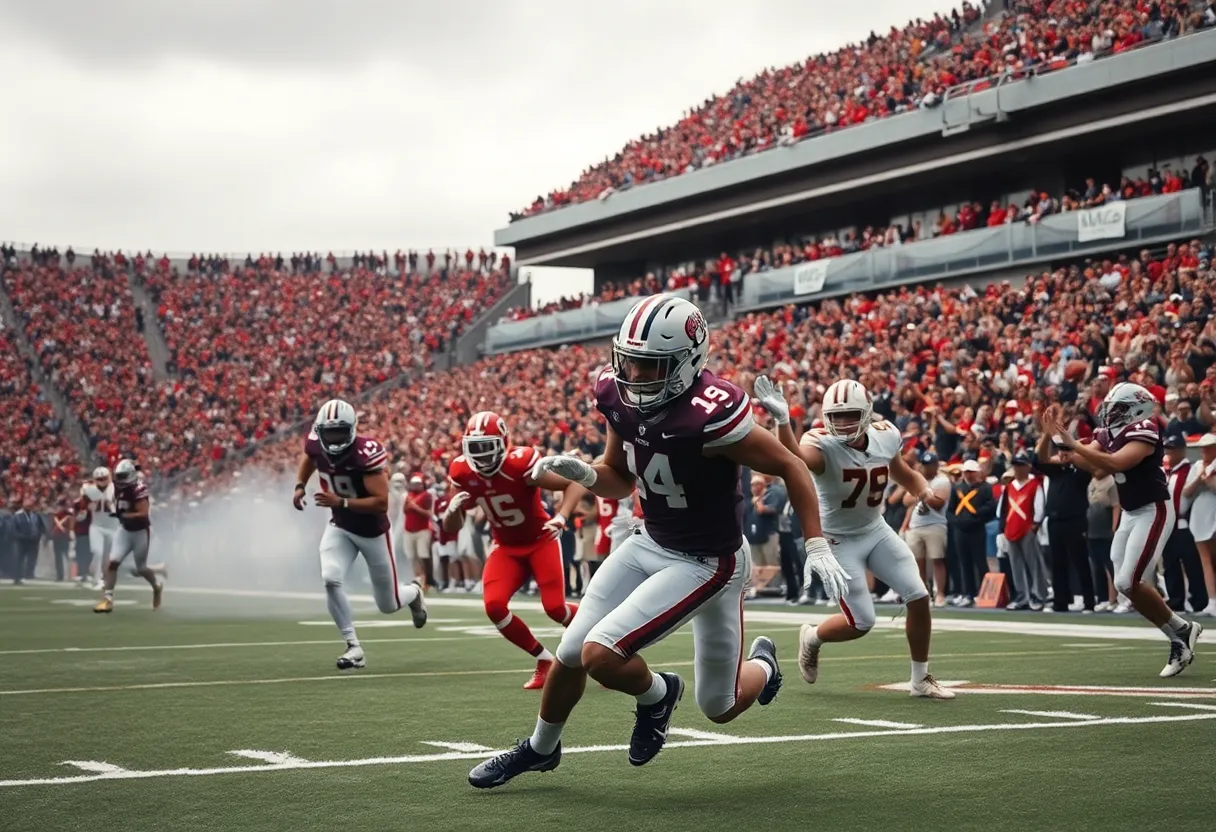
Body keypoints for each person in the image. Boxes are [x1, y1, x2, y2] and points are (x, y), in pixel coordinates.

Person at [468, 295, 849, 789]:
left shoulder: (710, 412)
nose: (633, 374)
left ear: (687, 363)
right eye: (628, 360)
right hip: (651, 540)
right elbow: (619, 479)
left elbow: (792, 465)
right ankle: (542, 748)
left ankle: (734, 672)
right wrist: (583, 473)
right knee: (572, 651)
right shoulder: (618, 396)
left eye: (649, 366)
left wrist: (815, 542)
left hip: (708, 561)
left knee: (717, 704)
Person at [755, 376, 954, 699]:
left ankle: (920, 679)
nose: (843, 423)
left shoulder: (886, 436)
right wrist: (783, 421)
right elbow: (793, 457)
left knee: (918, 596)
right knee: (862, 622)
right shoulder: (822, 445)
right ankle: (813, 637)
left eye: (849, 415)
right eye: (836, 416)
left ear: (866, 413)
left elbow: (902, 472)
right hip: (837, 539)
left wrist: (922, 489)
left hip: (875, 530)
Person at [1043, 382, 1202, 676]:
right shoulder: (1111, 432)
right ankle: (1180, 630)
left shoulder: (1146, 428)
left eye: (1116, 408)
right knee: (1123, 584)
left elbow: (1115, 463)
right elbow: (1089, 461)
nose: (1109, 413)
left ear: (1135, 407)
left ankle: (1181, 632)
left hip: (1153, 509)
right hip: (1131, 512)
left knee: (1130, 580)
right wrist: (1059, 440)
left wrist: (1073, 445)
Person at [443, 410, 587, 689]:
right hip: (506, 547)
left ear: (503, 442)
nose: (482, 456)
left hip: (539, 540)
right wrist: (451, 511)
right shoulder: (461, 470)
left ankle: (608, 641)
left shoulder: (520, 463)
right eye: (475, 449)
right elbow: (452, 526)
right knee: (494, 606)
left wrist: (562, 516)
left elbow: (576, 482)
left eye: (487, 448)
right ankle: (544, 660)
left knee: (556, 609)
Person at [291, 399, 428, 669]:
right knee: (330, 577)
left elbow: (381, 502)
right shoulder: (316, 442)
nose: (333, 439)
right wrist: (299, 486)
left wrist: (340, 502)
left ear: (352, 429)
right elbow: (309, 455)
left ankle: (413, 592)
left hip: (371, 531)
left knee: (388, 605)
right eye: (328, 432)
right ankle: (353, 647)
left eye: (339, 432)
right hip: (340, 526)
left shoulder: (365, 453)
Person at [1032, 422, 1097, 613]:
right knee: (1058, 562)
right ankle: (1060, 602)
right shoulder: (1056, 471)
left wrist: (1073, 456)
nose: (1063, 454)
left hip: (1075, 520)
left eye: (1066, 450)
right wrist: (1046, 434)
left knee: (1080, 561)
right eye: (1060, 451)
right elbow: (1039, 460)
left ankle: (1088, 602)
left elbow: (1090, 466)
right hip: (1055, 521)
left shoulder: (1080, 471)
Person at [93, 460, 163, 612]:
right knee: (113, 563)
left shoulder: (138, 489)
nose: (120, 479)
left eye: (123, 476)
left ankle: (156, 587)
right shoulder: (117, 487)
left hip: (140, 532)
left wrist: (126, 516)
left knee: (142, 568)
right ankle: (108, 599)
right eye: (119, 476)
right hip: (124, 530)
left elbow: (143, 513)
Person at [1163, 435, 1208, 614]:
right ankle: (1176, 601)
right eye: (1167, 449)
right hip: (1167, 525)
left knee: (1192, 564)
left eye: (1172, 449)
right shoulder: (1167, 471)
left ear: (1182, 450)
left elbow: (1188, 494)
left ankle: (1199, 600)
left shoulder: (1189, 469)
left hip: (1183, 523)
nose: (1169, 452)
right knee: (1170, 564)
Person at [998, 453, 1047, 611]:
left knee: (1034, 564)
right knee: (1016, 565)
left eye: (1020, 465)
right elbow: (1003, 508)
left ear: (1028, 467)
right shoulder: (1010, 486)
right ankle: (1022, 596)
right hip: (1011, 529)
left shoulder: (1034, 484)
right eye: (1015, 466)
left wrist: (1035, 524)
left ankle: (1038, 595)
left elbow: (1039, 506)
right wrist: (1004, 527)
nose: (1017, 469)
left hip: (1027, 528)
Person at [903, 451, 952, 607]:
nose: (927, 468)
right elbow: (906, 500)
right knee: (918, 561)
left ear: (936, 465)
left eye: (930, 465)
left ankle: (940, 594)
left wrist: (921, 493)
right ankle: (924, 593)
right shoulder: (918, 479)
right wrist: (925, 494)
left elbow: (938, 503)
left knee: (937, 559)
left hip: (935, 524)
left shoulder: (942, 480)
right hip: (916, 524)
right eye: (925, 465)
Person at [947, 460, 998, 606]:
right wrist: (956, 521)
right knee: (964, 563)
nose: (968, 475)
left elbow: (990, 507)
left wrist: (977, 516)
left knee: (980, 561)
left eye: (971, 472)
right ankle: (968, 593)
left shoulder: (985, 488)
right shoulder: (957, 488)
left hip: (977, 529)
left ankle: (984, 593)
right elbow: (950, 510)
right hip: (960, 530)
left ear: (977, 473)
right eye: (966, 472)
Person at [1180, 433, 1216, 616]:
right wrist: (1199, 480)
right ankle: (1212, 602)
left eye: (1209, 446)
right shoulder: (1197, 466)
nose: (1204, 450)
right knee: (1206, 560)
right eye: (1203, 447)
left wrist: (1207, 480)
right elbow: (1186, 492)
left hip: (1214, 514)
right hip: (1200, 516)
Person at [82, 467, 119, 590]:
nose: (102, 481)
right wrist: (86, 508)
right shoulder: (89, 491)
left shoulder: (117, 489)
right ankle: (96, 580)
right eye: (99, 479)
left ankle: (104, 577)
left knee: (109, 556)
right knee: (97, 552)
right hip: (97, 527)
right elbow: (82, 509)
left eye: (104, 478)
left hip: (113, 527)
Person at [11, 497, 46, 585]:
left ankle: (29, 574)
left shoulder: (35, 515)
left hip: (33, 540)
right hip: (22, 541)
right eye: (27, 504)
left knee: (32, 558)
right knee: (20, 559)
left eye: (30, 504)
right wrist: (20, 536)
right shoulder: (17, 515)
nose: (29, 506)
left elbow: (41, 527)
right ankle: (18, 577)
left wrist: (38, 535)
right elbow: (14, 529)